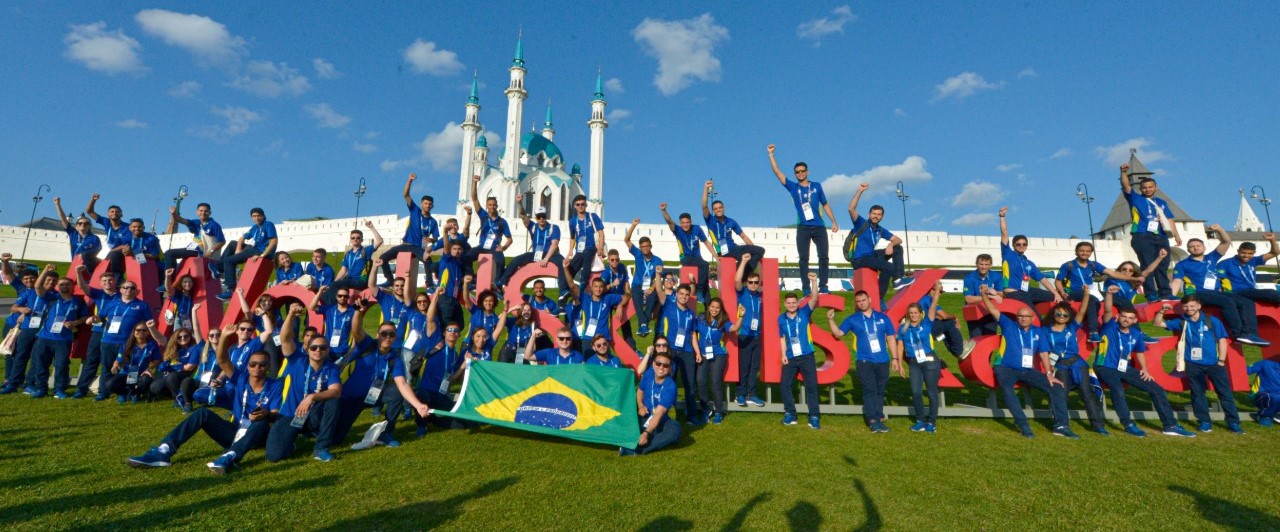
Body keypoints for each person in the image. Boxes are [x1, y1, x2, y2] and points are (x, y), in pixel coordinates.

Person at [125, 348, 281, 474]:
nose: (257, 368)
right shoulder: (241, 379)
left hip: (257, 435)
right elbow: (222, 359)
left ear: (268, 367)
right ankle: (164, 451)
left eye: (262, 365)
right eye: (253, 364)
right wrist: (225, 336)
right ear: (248, 366)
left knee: (261, 421)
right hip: (236, 431)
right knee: (202, 413)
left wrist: (267, 414)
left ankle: (230, 457)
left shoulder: (275, 385)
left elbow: (274, 414)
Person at [1093, 288, 1195, 437]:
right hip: (1105, 366)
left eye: (1130, 318)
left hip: (1124, 368)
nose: (1126, 319)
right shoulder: (1110, 326)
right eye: (1123, 316)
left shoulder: (1136, 333)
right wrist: (1108, 294)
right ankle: (1128, 424)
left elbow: (1139, 352)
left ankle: (1170, 425)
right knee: (1118, 390)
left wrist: (1145, 369)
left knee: (1157, 389)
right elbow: (1107, 310)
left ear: (1134, 320)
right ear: (1118, 317)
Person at [977, 288, 1076, 439]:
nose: (1023, 319)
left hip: (1027, 370)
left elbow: (1043, 353)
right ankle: (1023, 425)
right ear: (1016, 318)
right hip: (1005, 368)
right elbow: (993, 310)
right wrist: (984, 295)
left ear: (1031, 318)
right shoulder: (1008, 325)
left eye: (1026, 316)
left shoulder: (1038, 332)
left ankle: (1061, 426)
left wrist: (1049, 374)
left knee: (1055, 387)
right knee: (1008, 391)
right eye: (1020, 316)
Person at [333, 314, 432, 450]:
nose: (387, 337)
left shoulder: (394, 359)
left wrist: (418, 405)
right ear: (378, 335)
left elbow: (402, 383)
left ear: (395, 337)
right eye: (384, 333)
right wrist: (359, 312)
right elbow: (356, 330)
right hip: (351, 398)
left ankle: (386, 433)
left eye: (391, 334)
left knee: (396, 392)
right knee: (336, 440)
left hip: (375, 395)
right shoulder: (366, 345)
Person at [1153, 295, 1244, 434]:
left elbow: (1222, 340)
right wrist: (1161, 311)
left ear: (1199, 306)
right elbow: (1157, 324)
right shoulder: (1182, 322)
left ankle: (1233, 422)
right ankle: (1204, 422)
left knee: (1224, 393)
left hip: (1214, 364)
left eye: (1192, 305)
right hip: (1193, 364)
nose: (1189, 309)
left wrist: (1221, 360)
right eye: (1186, 306)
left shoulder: (1211, 320)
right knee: (1197, 394)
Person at [265, 310, 342, 463]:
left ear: (327, 350)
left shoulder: (331, 367)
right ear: (307, 349)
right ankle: (291, 441)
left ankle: (321, 448)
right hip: (290, 414)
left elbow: (336, 391)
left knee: (333, 402)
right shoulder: (297, 360)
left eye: (322, 348)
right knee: (274, 456)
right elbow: (285, 339)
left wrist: (312, 397)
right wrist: (291, 315)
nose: (318, 351)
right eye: (314, 348)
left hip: (313, 415)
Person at [1170, 228, 1269, 346]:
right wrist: (1171, 297)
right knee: (1226, 301)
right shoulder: (1182, 264)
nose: (1195, 248)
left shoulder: (1212, 258)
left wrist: (1219, 229)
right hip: (1198, 294)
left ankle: (1249, 334)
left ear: (1204, 247)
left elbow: (1226, 242)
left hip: (1215, 293)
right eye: (1192, 246)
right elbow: (1176, 281)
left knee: (1246, 301)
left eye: (1198, 245)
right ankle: (1237, 334)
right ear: (1188, 249)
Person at [768, 144, 838, 295]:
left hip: (819, 226)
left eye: (802, 171)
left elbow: (825, 204)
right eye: (797, 172)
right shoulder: (793, 188)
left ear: (807, 172)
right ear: (795, 174)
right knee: (803, 258)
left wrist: (833, 221)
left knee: (823, 256)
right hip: (803, 227)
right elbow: (777, 173)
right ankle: (806, 287)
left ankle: (824, 286)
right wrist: (771, 155)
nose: (800, 173)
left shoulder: (817, 186)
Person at [830, 289, 899, 433]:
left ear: (870, 300)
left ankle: (879, 418)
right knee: (869, 390)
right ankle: (872, 420)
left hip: (883, 360)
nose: (861, 303)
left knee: (880, 391)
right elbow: (838, 334)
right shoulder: (852, 319)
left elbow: (891, 338)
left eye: (863, 300)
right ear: (856, 303)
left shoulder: (883, 318)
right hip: (864, 361)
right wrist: (831, 320)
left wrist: (895, 358)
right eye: (858, 302)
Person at [1038, 300, 1109, 436]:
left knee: (1086, 392)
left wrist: (1086, 295)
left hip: (1077, 363)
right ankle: (1061, 425)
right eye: (1058, 314)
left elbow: (1082, 311)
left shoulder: (1071, 327)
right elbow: (1044, 351)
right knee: (1062, 393)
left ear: (1069, 317)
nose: (1061, 317)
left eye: (1065, 315)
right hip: (1060, 364)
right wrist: (1050, 367)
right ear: (1053, 314)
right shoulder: (1045, 331)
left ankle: (1098, 425)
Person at [1056, 241, 1138, 343]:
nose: (1084, 253)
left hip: (1091, 290)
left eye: (1088, 251)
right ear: (1076, 252)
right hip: (1075, 292)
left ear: (1091, 252)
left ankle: (1136, 330)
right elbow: (1058, 281)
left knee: (1123, 301)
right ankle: (1093, 332)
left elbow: (1113, 273)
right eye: (1081, 251)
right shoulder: (1068, 265)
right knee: (1092, 299)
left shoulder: (1093, 265)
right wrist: (1062, 292)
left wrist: (1135, 279)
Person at [1120, 164, 1181, 301]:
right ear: (1140, 188)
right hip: (1142, 235)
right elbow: (1125, 186)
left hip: (1161, 236)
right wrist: (1123, 172)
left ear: (1156, 187)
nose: (1148, 189)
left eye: (1150, 187)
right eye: (1145, 187)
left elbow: (1170, 219)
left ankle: (1165, 293)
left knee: (1163, 265)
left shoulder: (1161, 202)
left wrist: (1176, 235)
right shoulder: (1135, 198)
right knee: (1147, 264)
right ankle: (1151, 294)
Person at [25, 272, 88, 398]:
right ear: (57, 286)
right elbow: (38, 287)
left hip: (64, 339)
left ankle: (59, 390)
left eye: (68, 284)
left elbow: (85, 316)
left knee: (61, 365)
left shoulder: (78, 301)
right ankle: (41, 388)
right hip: (45, 337)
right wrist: (45, 271)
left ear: (73, 286)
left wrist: (75, 322)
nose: (64, 286)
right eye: (61, 284)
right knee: (41, 364)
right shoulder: (52, 297)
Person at [91, 279, 152, 400]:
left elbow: (148, 324)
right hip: (109, 341)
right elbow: (101, 316)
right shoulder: (112, 303)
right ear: (121, 290)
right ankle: (103, 392)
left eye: (132, 288)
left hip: (129, 343)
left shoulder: (142, 305)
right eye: (126, 287)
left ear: (137, 291)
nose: (128, 290)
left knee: (130, 369)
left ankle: (125, 392)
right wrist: (94, 319)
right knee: (107, 368)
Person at [846, 183, 905, 308]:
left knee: (897, 248)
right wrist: (860, 191)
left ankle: (898, 279)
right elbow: (851, 209)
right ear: (869, 214)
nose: (876, 216)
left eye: (879, 214)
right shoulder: (861, 223)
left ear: (882, 217)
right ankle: (880, 297)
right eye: (874, 213)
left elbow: (898, 240)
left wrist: (890, 244)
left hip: (871, 256)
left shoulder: (880, 230)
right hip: (860, 258)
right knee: (888, 267)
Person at [895, 284, 944, 433]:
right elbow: (900, 345)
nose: (913, 315)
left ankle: (932, 422)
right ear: (908, 314)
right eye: (911, 313)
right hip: (914, 362)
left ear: (920, 313)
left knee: (931, 392)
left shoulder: (927, 323)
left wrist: (936, 290)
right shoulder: (903, 328)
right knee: (916, 392)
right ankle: (920, 420)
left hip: (929, 361)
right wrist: (899, 363)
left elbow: (933, 305)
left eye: (916, 312)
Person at [778, 273, 822, 429]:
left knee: (811, 386)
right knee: (784, 385)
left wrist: (814, 281)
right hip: (790, 357)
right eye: (788, 303)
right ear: (785, 304)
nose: (791, 305)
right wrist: (783, 354)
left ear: (798, 303)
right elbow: (781, 337)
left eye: (794, 302)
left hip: (806, 356)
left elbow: (814, 298)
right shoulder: (781, 319)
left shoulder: (804, 312)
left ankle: (814, 416)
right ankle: (790, 413)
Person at [619, 345, 681, 456]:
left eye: (666, 365)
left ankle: (637, 450)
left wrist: (646, 433)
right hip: (645, 415)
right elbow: (640, 391)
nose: (661, 368)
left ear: (670, 368)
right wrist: (641, 405)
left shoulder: (671, 386)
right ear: (653, 364)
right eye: (658, 364)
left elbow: (659, 414)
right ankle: (649, 437)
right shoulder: (648, 374)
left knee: (675, 430)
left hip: (661, 419)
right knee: (624, 419)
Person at [2, 265, 56, 395]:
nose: (50, 283)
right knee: (20, 356)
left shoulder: (56, 295)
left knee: (36, 358)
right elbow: (14, 307)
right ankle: (13, 383)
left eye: (53, 281)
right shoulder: (30, 292)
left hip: (44, 332)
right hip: (28, 329)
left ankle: (29, 383)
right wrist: (21, 310)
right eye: (47, 280)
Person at [654, 276, 700, 424]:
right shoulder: (668, 305)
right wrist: (658, 275)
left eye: (687, 295)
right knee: (669, 382)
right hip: (671, 351)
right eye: (681, 294)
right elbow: (659, 291)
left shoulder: (691, 313)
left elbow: (693, 335)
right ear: (677, 294)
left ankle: (691, 415)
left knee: (690, 385)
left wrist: (697, 352)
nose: (684, 297)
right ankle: (666, 414)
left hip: (686, 351)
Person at [379, 173, 438, 285]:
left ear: (432, 206)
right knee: (383, 258)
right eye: (425, 203)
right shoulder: (415, 211)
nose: (427, 206)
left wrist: (432, 240)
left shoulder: (433, 222)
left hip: (417, 247)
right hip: (405, 244)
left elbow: (436, 238)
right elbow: (406, 195)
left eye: (430, 204)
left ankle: (429, 284)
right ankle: (390, 281)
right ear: (421, 204)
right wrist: (409, 180)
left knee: (427, 259)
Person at [999, 206, 1064, 308]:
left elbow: (1042, 279)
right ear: (1013, 245)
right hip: (1014, 293)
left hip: (1027, 291)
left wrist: (1056, 294)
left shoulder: (1029, 263)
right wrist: (1002, 216)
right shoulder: (1008, 254)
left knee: (1055, 298)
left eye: (1024, 244)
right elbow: (1004, 232)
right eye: (1018, 244)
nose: (1021, 246)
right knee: (1033, 316)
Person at [71, 265, 120, 398]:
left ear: (115, 281)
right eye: (104, 281)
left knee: (108, 363)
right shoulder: (98, 293)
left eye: (110, 280)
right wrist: (78, 273)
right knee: (91, 360)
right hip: (98, 330)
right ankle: (81, 390)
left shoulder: (122, 295)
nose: (107, 283)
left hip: (114, 333)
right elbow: (82, 287)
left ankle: (104, 391)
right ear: (100, 283)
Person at [411, 320, 467, 435]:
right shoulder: (436, 344)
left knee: (459, 424)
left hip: (441, 394)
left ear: (459, 335)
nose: (452, 332)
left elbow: (452, 378)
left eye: (456, 331)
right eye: (449, 330)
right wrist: (434, 300)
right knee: (421, 397)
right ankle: (422, 425)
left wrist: (463, 365)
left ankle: (432, 418)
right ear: (444, 333)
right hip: (426, 391)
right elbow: (430, 319)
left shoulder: (454, 354)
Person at [701, 179, 766, 273]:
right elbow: (704, 206)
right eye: (715, 209)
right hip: (723, 251)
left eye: (720, 208)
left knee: (760, 251)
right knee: (750, 255)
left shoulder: (731, 221)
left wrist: (752, 248)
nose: (718, 210)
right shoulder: (710, 220)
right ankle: (740, 274)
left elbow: (743, 236)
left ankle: (742, 274)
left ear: (724, 208)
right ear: (713, 211)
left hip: (734, 248)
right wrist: (706, 189)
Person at [695, 297, 741, 424]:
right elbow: (693, 332)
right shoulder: (700, 318)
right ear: (708, 306)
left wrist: (741, 316)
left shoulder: (722, 321)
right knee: (700, 380)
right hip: (703, 354)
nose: (714, 309)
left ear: (720, 310)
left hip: (718, 354)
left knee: (715, 383)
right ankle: (705, 409)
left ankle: (719, 412)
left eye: (717, 308)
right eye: (712, 307)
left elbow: (734, 328)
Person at [499, 203, 565, 289]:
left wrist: (546, 259)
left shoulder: (553, 227)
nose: (541, 218)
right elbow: (523, 215)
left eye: (543, 216)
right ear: (535, 218)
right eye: (539, 216)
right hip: (536, 254)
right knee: (516, 260)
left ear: (546, 216)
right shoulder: (533, 227)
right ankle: (502, 281)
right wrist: (520, 203)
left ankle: (564, 289)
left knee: (562, 263)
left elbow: (554, 244)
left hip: (550, 254)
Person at [217, 207, 278, 300]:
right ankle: (219, 269)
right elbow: (242, 238)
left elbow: (273, 241)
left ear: (263, 216)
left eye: (259, 216)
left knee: (229, 261)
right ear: (251, 217)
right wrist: (238, 248)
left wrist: (262, 255)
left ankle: (230, 290)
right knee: (233, 243)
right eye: (254, 216)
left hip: (263, 253)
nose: (257, 218)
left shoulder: (268, 224)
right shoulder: (255, 227)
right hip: (253, 249)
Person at [660, 202, 716, 304]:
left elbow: (706, 242)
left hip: (697, 258)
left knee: (706, 287)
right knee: (705, 264)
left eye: (687, 222)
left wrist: (716, 257)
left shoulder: (697, 229)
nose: (685, 225)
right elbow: (669, 222)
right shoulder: (677, 230)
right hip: (685, 257)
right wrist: (664, 210)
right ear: (680, 223)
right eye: (683, 223)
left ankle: (707, 308)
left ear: (691, 222)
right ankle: (698, 289)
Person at [465, 175, 513, 284]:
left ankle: (498, 283)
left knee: (501, 262)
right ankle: (471, 277)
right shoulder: (483, 215)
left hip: (494, 248)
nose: (492, 207)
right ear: (487, 206)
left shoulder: (502, 222)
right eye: (490, 205)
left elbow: (510, 239)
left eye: (494, 205)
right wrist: (474, 183)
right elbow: (474, 198)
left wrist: (503, 247)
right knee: (466, 257)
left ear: (497, 206)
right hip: (482, 246)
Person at [564, 277, 630, 354]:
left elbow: (627, 296)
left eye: (600, 287)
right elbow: (572, 285)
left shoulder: (608, 298)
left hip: (603, 339)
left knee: (605, 364)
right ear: (592, 287)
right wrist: (565, 268)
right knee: (588, 365)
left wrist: (620, 305)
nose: (598, 289)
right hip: (588, 339)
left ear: (603, 288)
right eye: (596, 286)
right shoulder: (585, 299)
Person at [103, 320, 164, 403]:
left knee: (146, 379)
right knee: (109, 385)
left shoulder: (152, 345)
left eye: (144, 330)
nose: (141, 332)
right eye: (138, 330)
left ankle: (136, 394)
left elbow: (157, 360)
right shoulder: (127, 344)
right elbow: (118, 359)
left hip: (141, 373)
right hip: (126, 372)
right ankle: (124, 393)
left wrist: (149, 368)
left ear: (148, 333)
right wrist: (115, 366)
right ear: (134, 332)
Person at [733, 253, 766, 408]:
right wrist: (744, 261)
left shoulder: (760, 295)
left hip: (757, 336)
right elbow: (737, 280)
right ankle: (740, 393)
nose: (753, 284)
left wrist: (760, 263)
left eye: (755, 282)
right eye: (751, 282)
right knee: (744, 365)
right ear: (747, 283)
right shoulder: (742, 293)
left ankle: (752, 393)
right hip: (744, 334)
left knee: (754, 367)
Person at [624, 218, 664, 337]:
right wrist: (633, 225)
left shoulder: (657, 260)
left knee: (653, 297)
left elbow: (658, 278)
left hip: (650, 287)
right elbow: (626, 240)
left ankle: (642, 324)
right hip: (637, 285)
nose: (645, 248)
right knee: (636, 296)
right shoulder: (637, 254)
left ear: (651, 246)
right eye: (643, 246)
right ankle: (644, 323)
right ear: (640, 248)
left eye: (647, 246)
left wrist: (652, 288)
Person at [163, 202, 226, 273]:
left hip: (201, 252)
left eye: (206, 211)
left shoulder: (214, 225)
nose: (203, 213)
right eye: (201, 211)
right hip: (193, 249)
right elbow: (180, 220)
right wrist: (173, 214)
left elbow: (222, 241)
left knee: (169, 253)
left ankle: (170, 279)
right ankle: (171, 279)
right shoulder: (197, 222)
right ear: (197, 212)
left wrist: (211, 251)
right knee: (176, 261)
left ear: (210, 213)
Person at [565, 194, 606, 301]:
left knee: (587, 253)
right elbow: (573, 237)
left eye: (583, 204)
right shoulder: (573, 221)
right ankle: (566, 290)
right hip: (579, 250)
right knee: (571, 266)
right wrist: (570, 251)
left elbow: (601, 233)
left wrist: (600, 246)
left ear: (586, 205)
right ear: (574, 206)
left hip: (591, 247)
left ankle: (583, 282)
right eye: (578, 204)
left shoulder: (592, 217)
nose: (580, 206)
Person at [1218, 233, 1280, 304]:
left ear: (1254, 253)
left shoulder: (1253, 260)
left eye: (1250, 253)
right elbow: (1220, 279)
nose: (1246, 256)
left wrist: (1272, 240)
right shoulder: (1225, 263)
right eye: (1243, 253)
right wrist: (1228, 294)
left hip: (1251, 291)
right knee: (1271, 293)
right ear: (1238, 251)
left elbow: (1274, 253)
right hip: (1235, 292)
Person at [308, 285, 358, 363]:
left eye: (345, 296)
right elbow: (311, 307)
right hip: (327, 348)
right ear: (336, 296)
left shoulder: (353, 311)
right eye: (340, 296)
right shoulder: (329, 309)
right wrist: (320, 292)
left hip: (343, 350)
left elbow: (356, 329)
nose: (342, 298)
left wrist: (352, 348)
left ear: (348, 297)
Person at [53, 197, 102, 275]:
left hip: (89, 266)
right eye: (80, 223)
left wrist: (85, 254)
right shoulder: (73, 234)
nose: (83, 224)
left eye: (86, 223)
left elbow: (98, 249)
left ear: (89, 226)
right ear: (76, 226)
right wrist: (57, 205)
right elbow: (63, 219)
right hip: (75, 263)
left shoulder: (94, 238)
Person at [150, 326, 198, 404]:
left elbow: (190, 367)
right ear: (176, 338)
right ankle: (176, 393)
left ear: (190, 336)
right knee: (154, 388)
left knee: (171, 377)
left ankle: (179, 399)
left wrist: (174, 367)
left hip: (186, 375)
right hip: (171, 374)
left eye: (186, 336)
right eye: (179, 337)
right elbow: (159, 338)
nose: (183, 338)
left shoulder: (194, 348)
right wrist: (150, 327)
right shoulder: (173, 347)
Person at [84, 193, 130, 276]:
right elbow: (89, 211)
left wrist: (113, 251)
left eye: (117, 212)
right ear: (108, 214)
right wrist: (93, 200)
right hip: (109, 251)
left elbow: (124, 245)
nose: (114, 213)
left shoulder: (127, 227)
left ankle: (117, 278)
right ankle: (92, 275)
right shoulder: (106, 222)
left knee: (114, 254)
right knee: (87, 254)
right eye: (112, 211)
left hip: (120, 253)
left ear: (121, 214)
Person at [962, 253, 1006, 338]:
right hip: (973, 311)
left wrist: (994, 293)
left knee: (990, 338)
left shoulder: (996, 276)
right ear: (976, 264)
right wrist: (989, 296)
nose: (983, 267)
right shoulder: (969, 278)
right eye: (981, 264)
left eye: (986, 264)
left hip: (990, 311)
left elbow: (1000, 294)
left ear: (991, 265)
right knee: (976, 339)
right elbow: (969, 299)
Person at [369, 258, 410, 329]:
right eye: (397, 286)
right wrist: (375, 267)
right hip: (386, 337)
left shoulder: (409, 303)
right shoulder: (385, 298)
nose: (399, 288)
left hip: (402, 339)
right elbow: (371, 285)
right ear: (393, 288)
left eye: (402, 286)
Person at [1248, 357, 1280, 427]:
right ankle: (1264, 416)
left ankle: (1275, 414)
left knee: (1277, 397)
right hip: (1258, 395)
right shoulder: (1265, 364)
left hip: (1275, 398)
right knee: (1276, 397)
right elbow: (1244, 371)